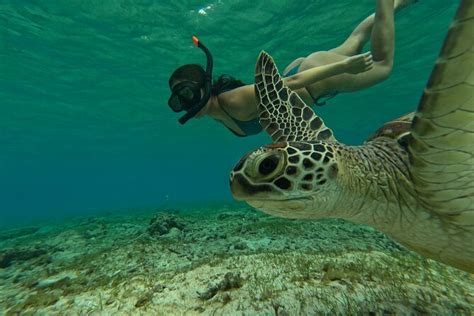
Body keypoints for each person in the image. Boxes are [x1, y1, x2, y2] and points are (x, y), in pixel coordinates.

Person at [168, 0, 416, 137]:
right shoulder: (216, 113)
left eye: (187, 94)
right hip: (307, 70)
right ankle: (400, 3)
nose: (185, 104)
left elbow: (292, 84)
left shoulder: (232, 101)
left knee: (383, 67)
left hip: (314, 80)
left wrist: (344, 67)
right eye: (178, 100)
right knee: (354, 40)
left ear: (205, 86)